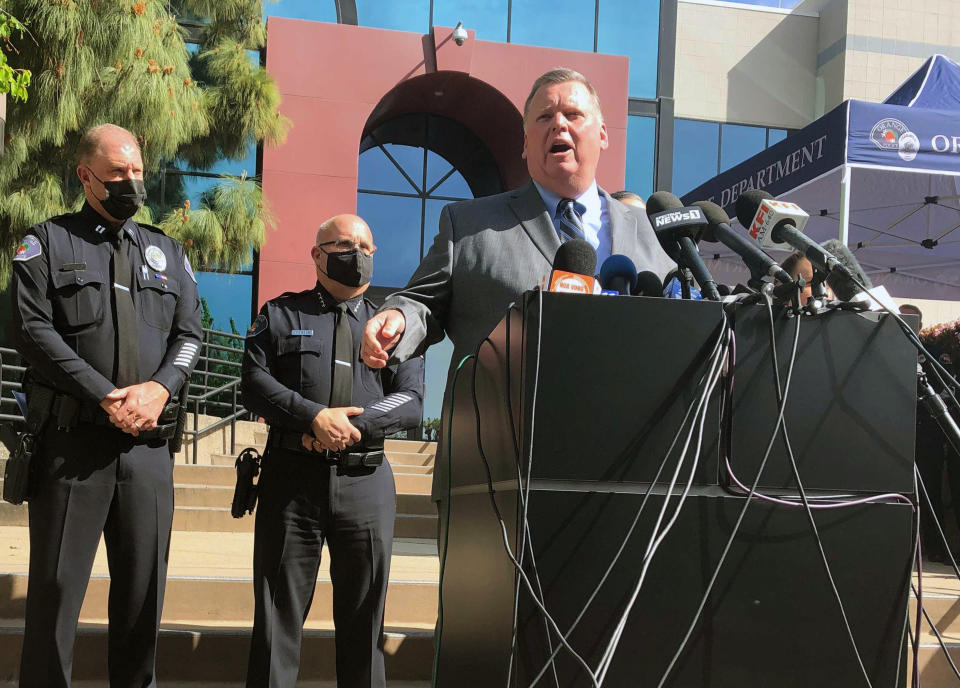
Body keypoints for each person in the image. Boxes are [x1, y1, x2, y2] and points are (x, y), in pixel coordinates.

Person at [360, 67, 674, 502]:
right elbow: (422, 303)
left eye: (572, 114)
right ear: (526, 145)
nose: (559, 124)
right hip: (497, 471)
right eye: (544, 118)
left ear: (602, 134)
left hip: (632, 469)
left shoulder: (654, 233)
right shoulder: (468, 224)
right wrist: (396, 316)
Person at [11, 123, 202, 687]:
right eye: (118, 172)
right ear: (85, 175)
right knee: (56, 596)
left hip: (148, 451)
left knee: (144, 598)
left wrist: (160, 387)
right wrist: (105, 393)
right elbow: (31, 331)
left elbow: (191, 335)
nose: (131, 181)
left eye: (138, 170)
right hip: (72, 448)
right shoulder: (46, 242)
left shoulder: (167, 250)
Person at [241, 214, 424, 688]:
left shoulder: (394, 327)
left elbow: (411, 402)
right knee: (276, 619)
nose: (356, 253)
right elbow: (255, 384)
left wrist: (347, 427)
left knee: (365, 626)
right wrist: (311, 417)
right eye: (343, 244)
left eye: (365, 245)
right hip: (291, 484)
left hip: (365, 486)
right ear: (317, 254)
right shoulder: (282, 314)